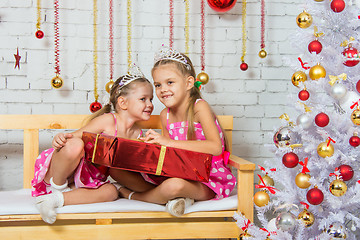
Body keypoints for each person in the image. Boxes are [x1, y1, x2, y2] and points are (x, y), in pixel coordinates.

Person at [110, 46, 236, 217]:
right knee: (117, 170)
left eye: (170, 82)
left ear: (188, 83)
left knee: (173, 186)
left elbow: (215, 148)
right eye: (158, 85)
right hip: (181, 172)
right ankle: (177, 199)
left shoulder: (199, 107)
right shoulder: (165, 115)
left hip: (207, 179)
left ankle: (133, 195)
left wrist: (167, 142)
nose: (163, 89)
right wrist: (150, 148)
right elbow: (170, 156)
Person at [31, 64, 154, 224]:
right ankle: (57, 189)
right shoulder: (109, 120)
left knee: (110, 192)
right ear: (123, 102)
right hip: (62, 171)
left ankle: (54, 200)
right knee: (75, 144)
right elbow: (73, 137)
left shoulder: (137, 134)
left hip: (86, 180)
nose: (150, 104)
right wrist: (59, 138)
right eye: (143, 99)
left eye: (151, 99)